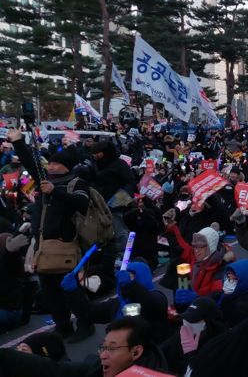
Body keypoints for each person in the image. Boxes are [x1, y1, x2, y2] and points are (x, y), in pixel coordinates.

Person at [7, 128, 91, 340]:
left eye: (56, 163)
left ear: (67, 166)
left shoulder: (76, 182)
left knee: (70, 289)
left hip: (66, 244)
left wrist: (56, 192)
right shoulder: (45, 179)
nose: (51, 166)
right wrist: (18, 142)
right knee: (50, 290)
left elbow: (82, 203)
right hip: (43, 245)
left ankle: (85, 324)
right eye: (50, 162)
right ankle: (62, 326)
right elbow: (29, 161)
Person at [0, 316, 168, 377]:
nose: (103, 355)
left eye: (112, 348)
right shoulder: (98, 367)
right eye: (103, 347)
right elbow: (57, 370)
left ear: (136, 351)